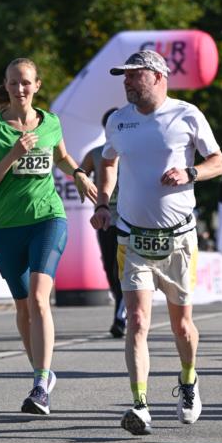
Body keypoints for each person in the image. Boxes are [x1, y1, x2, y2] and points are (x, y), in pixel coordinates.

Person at [91, 50, 222, 435]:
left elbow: (220, 162)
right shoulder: (119, 120)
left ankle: (188, 380)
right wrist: (103, 202)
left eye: (134, 76)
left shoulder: (187, 114)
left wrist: (191, 172)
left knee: (182, 327)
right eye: (124, 77)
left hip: (179, 239)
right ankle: (140, 404)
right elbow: (109, 161)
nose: (127, 82)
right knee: (136, 321)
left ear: (157, 76)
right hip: (132, 238)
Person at [0, 57, 97, 414]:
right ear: (7, 86)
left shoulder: (51, 123)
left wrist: (78, 173)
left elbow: (60, 156)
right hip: (7, 227)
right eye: (14, 83)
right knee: (23, 306)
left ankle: (40, 385)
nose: (20, 89)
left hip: (48, 218)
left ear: (37, 85)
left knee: (40, 298)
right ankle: (41, 372)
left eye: (26, 82)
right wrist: (13, 154)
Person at [81, 109, 126, 339]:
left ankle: (121, 314)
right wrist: (84, 182)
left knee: (125, 269)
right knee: (110, 267)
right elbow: (80, 173)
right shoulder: (96, 154)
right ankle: (122, 303)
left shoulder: (131, 149)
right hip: (106, 219)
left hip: (130, 218)